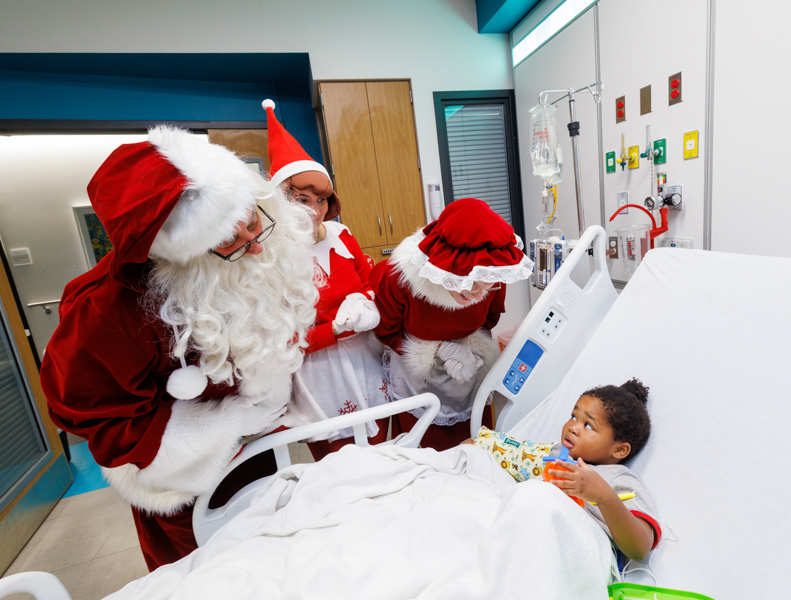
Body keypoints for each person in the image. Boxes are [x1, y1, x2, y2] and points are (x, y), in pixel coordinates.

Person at [40, 126, 319, 570]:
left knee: (277, 564)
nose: (253, 245)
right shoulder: (107, 311)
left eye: (253, 221)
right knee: (213, 574)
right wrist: (224, 423)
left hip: (257, 451)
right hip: (183, 486)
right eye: (228, 241)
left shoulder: (247, 253)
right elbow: (101, 419)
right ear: (182, 254)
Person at [262, 99, 389, 460]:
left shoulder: (341, 235)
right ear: (279, 200)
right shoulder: (266, 258)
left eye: (321, 200)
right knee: (337, 465)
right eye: (302, 199)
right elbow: (276, 340)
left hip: (366, 362)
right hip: (319, 376)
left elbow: (368, 282)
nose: (314, 211)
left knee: (382, 453)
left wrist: (366, 306)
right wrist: (331, 331)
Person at [369, 198, 534, 451]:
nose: (478, 294)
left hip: (468, 372)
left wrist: (470, 349)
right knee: (425, 454)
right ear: (444, 267)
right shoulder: (398, 278)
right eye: (468, 281)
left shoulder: (491, 277)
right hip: (416, 378)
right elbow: (386, 331)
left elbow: (488, 319)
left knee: (474, 445)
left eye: (485, 283)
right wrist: (439, 351)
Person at [466, 378, 660, 562]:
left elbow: (640, 548)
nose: (572, 427)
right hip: (527, 533)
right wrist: (478, 444)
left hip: (575, 550)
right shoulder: (556, 454)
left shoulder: (619, 479)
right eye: (573, 416)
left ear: (619, 450)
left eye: (588, 425)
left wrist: (603, 496)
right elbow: (518, 454)